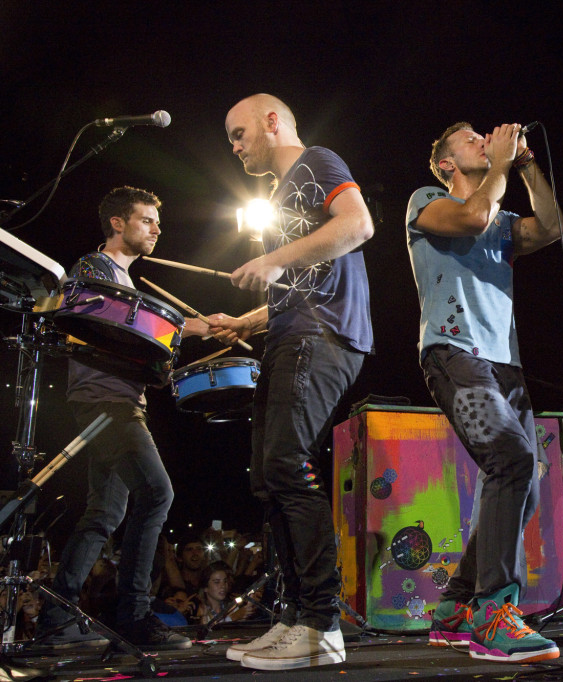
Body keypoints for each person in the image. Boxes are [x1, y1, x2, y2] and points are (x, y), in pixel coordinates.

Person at [206, 93, 373, 671]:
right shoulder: (280, 195)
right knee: (266, 478)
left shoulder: (316, 161)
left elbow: (357, 224)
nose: (234, 147)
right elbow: (301, 280)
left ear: (272, 122)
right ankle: (294, 616)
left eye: (238, 133)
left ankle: (322, 625)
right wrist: (245, 321)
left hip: (322, 335)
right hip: (292, 331)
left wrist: (275, 259)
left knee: (285, 466)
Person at [405, 121, 563, 663]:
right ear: (447, 163)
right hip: (454, 354)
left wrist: (524, 167)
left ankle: (454, 609)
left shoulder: (501, 217)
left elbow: (553, 226)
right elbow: (473, 216)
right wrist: (498, 164)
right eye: (471, 140)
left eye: (485, 138)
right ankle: (494, 612)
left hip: (506, 368)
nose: (483, 142)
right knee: (512, 458)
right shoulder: (427, 201)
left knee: (526, 484)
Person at [36, 186, 202, 650]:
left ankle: (55, 617)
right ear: (117, 223)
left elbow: (147, 338)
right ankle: (133, 614)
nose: (156, 228)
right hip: (104, 400)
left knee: (104, 512)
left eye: (156, 221)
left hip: (115, 399)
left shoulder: (127, 283)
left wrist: (203, 326)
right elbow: (100, 331)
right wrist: (171, 338)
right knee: (156, 493)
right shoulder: (94, 269)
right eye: (146, 219)